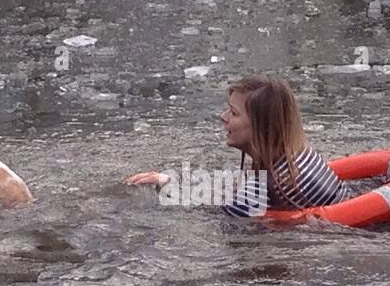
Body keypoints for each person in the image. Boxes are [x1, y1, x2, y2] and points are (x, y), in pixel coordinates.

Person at [125, 76, 353, 217]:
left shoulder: (260, 189)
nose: (223, 117)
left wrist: (167, 187)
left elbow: (219, 212)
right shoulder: (301, 155)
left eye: (233, 113)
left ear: (261, 127)